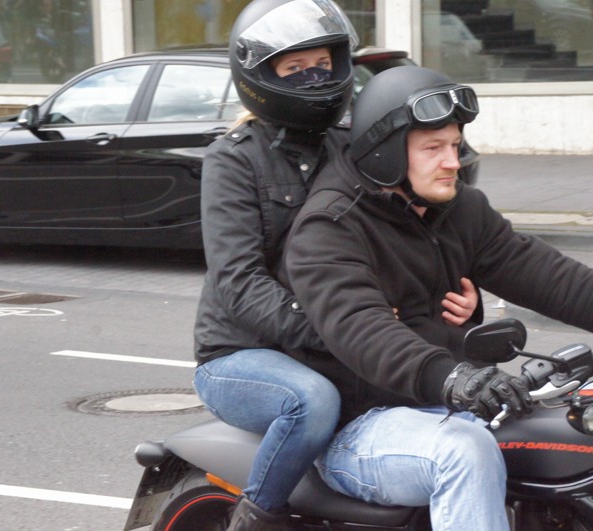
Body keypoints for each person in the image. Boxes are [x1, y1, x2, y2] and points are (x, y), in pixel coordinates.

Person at [284, 65, 593, 530]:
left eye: (455, 145)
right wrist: (454, 377)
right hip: (363, 425)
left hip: (452, 403)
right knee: (465, 453)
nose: (453, 162)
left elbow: (551, 277)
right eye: (433, 148)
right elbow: (361, 329)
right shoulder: (331, 226)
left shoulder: (454, 207)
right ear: (385, 153)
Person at [191, 1, 477, 529]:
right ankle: (258, 516)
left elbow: (407, 231)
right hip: (243, 351)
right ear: (261, 76)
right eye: (295, 68)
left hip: (336, 342)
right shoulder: (234, 159)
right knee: (313, 401)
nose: (314, 78)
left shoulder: (351, 147)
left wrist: (459, 295)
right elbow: (238, 282)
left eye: (322, 64)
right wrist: (342, 328)